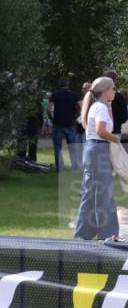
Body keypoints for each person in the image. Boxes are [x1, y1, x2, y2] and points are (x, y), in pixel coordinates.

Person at [75, 76, 120, 241]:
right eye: (113, 88)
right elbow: (102, 131)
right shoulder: (99, 108)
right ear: (106, 90)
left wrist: (109, 107)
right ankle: (109, 234)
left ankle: (83, 233)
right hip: (98, 149)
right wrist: (115, 140)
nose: (115, 91)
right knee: (104, 193)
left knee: (91, 192)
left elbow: (109, 126)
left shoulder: (99, 106)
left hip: (93, 150)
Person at [50, 77, 82, 171]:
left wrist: (52, 118)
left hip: (57, 123)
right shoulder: (74, 95)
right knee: (72, 146)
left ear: (60, 84)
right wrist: (77, 115)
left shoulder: (55, 95)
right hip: (70, 123)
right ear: (68, 84)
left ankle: (60, 168)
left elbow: (49, 108)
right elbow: (81, 105)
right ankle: (74, 166)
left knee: (58, 147)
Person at [106, 69, 127, 142]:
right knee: (115, 153)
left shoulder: (98, 96)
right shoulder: (119, 97)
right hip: (115, 131)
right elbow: (124, 117)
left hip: (99, 134)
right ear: (115, 80)